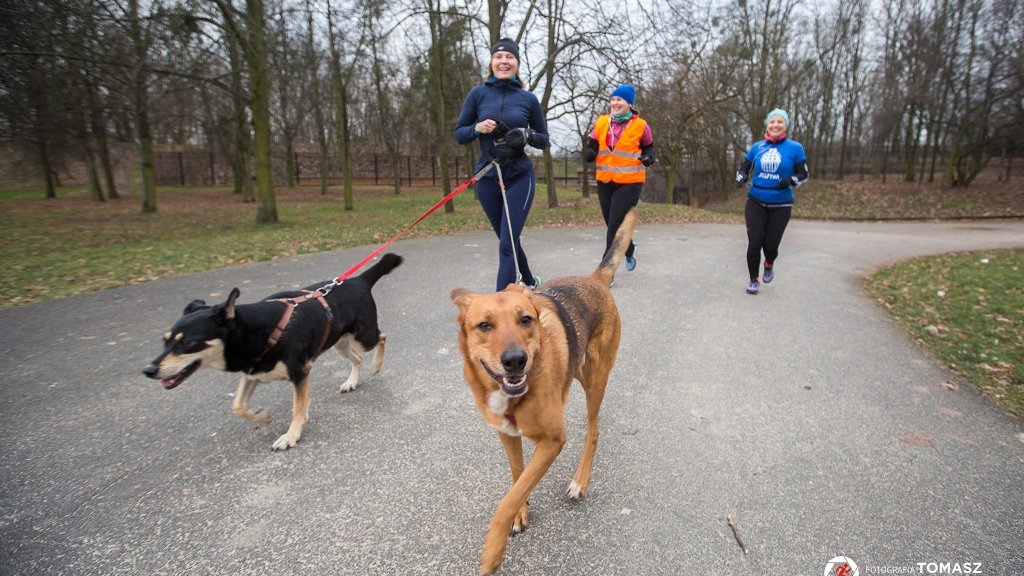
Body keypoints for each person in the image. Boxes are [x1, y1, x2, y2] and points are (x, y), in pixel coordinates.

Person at [454, 37, 550, 292]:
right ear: (492, 62)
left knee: (507, 243)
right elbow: (459, 133)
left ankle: (500, 303)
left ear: (517, 63)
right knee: (508, 240)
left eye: (509, 57)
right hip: (487, 176)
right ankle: (529, 280)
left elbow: (544, 140)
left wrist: (526, 134)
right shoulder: (478, 94)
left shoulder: (528, 99)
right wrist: (476, 128)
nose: (504, 61)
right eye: (499, 57)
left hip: (520, 176)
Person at [735, 108, 809, 295]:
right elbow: (744, 168)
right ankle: (753, 279)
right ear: (767, 125)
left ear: (786, 126)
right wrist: (741, 176)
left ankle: (769, 262)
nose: (775, 125)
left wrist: (790, 180)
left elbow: (804, 174)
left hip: (781, 204)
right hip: (756, 200)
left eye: (780, 122)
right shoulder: (757, 147)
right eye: (772, 122)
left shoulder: (795, 148)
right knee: (754, 242)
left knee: (771, 245)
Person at [583, 83, 654, 273]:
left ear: (629, 103)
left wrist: (648, 157)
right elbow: (592, 143)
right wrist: (590, 151)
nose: (615, 102)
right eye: (613, 99)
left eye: (619, 99)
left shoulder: (641, 125)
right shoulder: (601, 122)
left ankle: (606, 272)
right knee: (611, 222)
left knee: (614, 224)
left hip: (630, 181)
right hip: (605, 179)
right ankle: (629, 247)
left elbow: (649, 147)